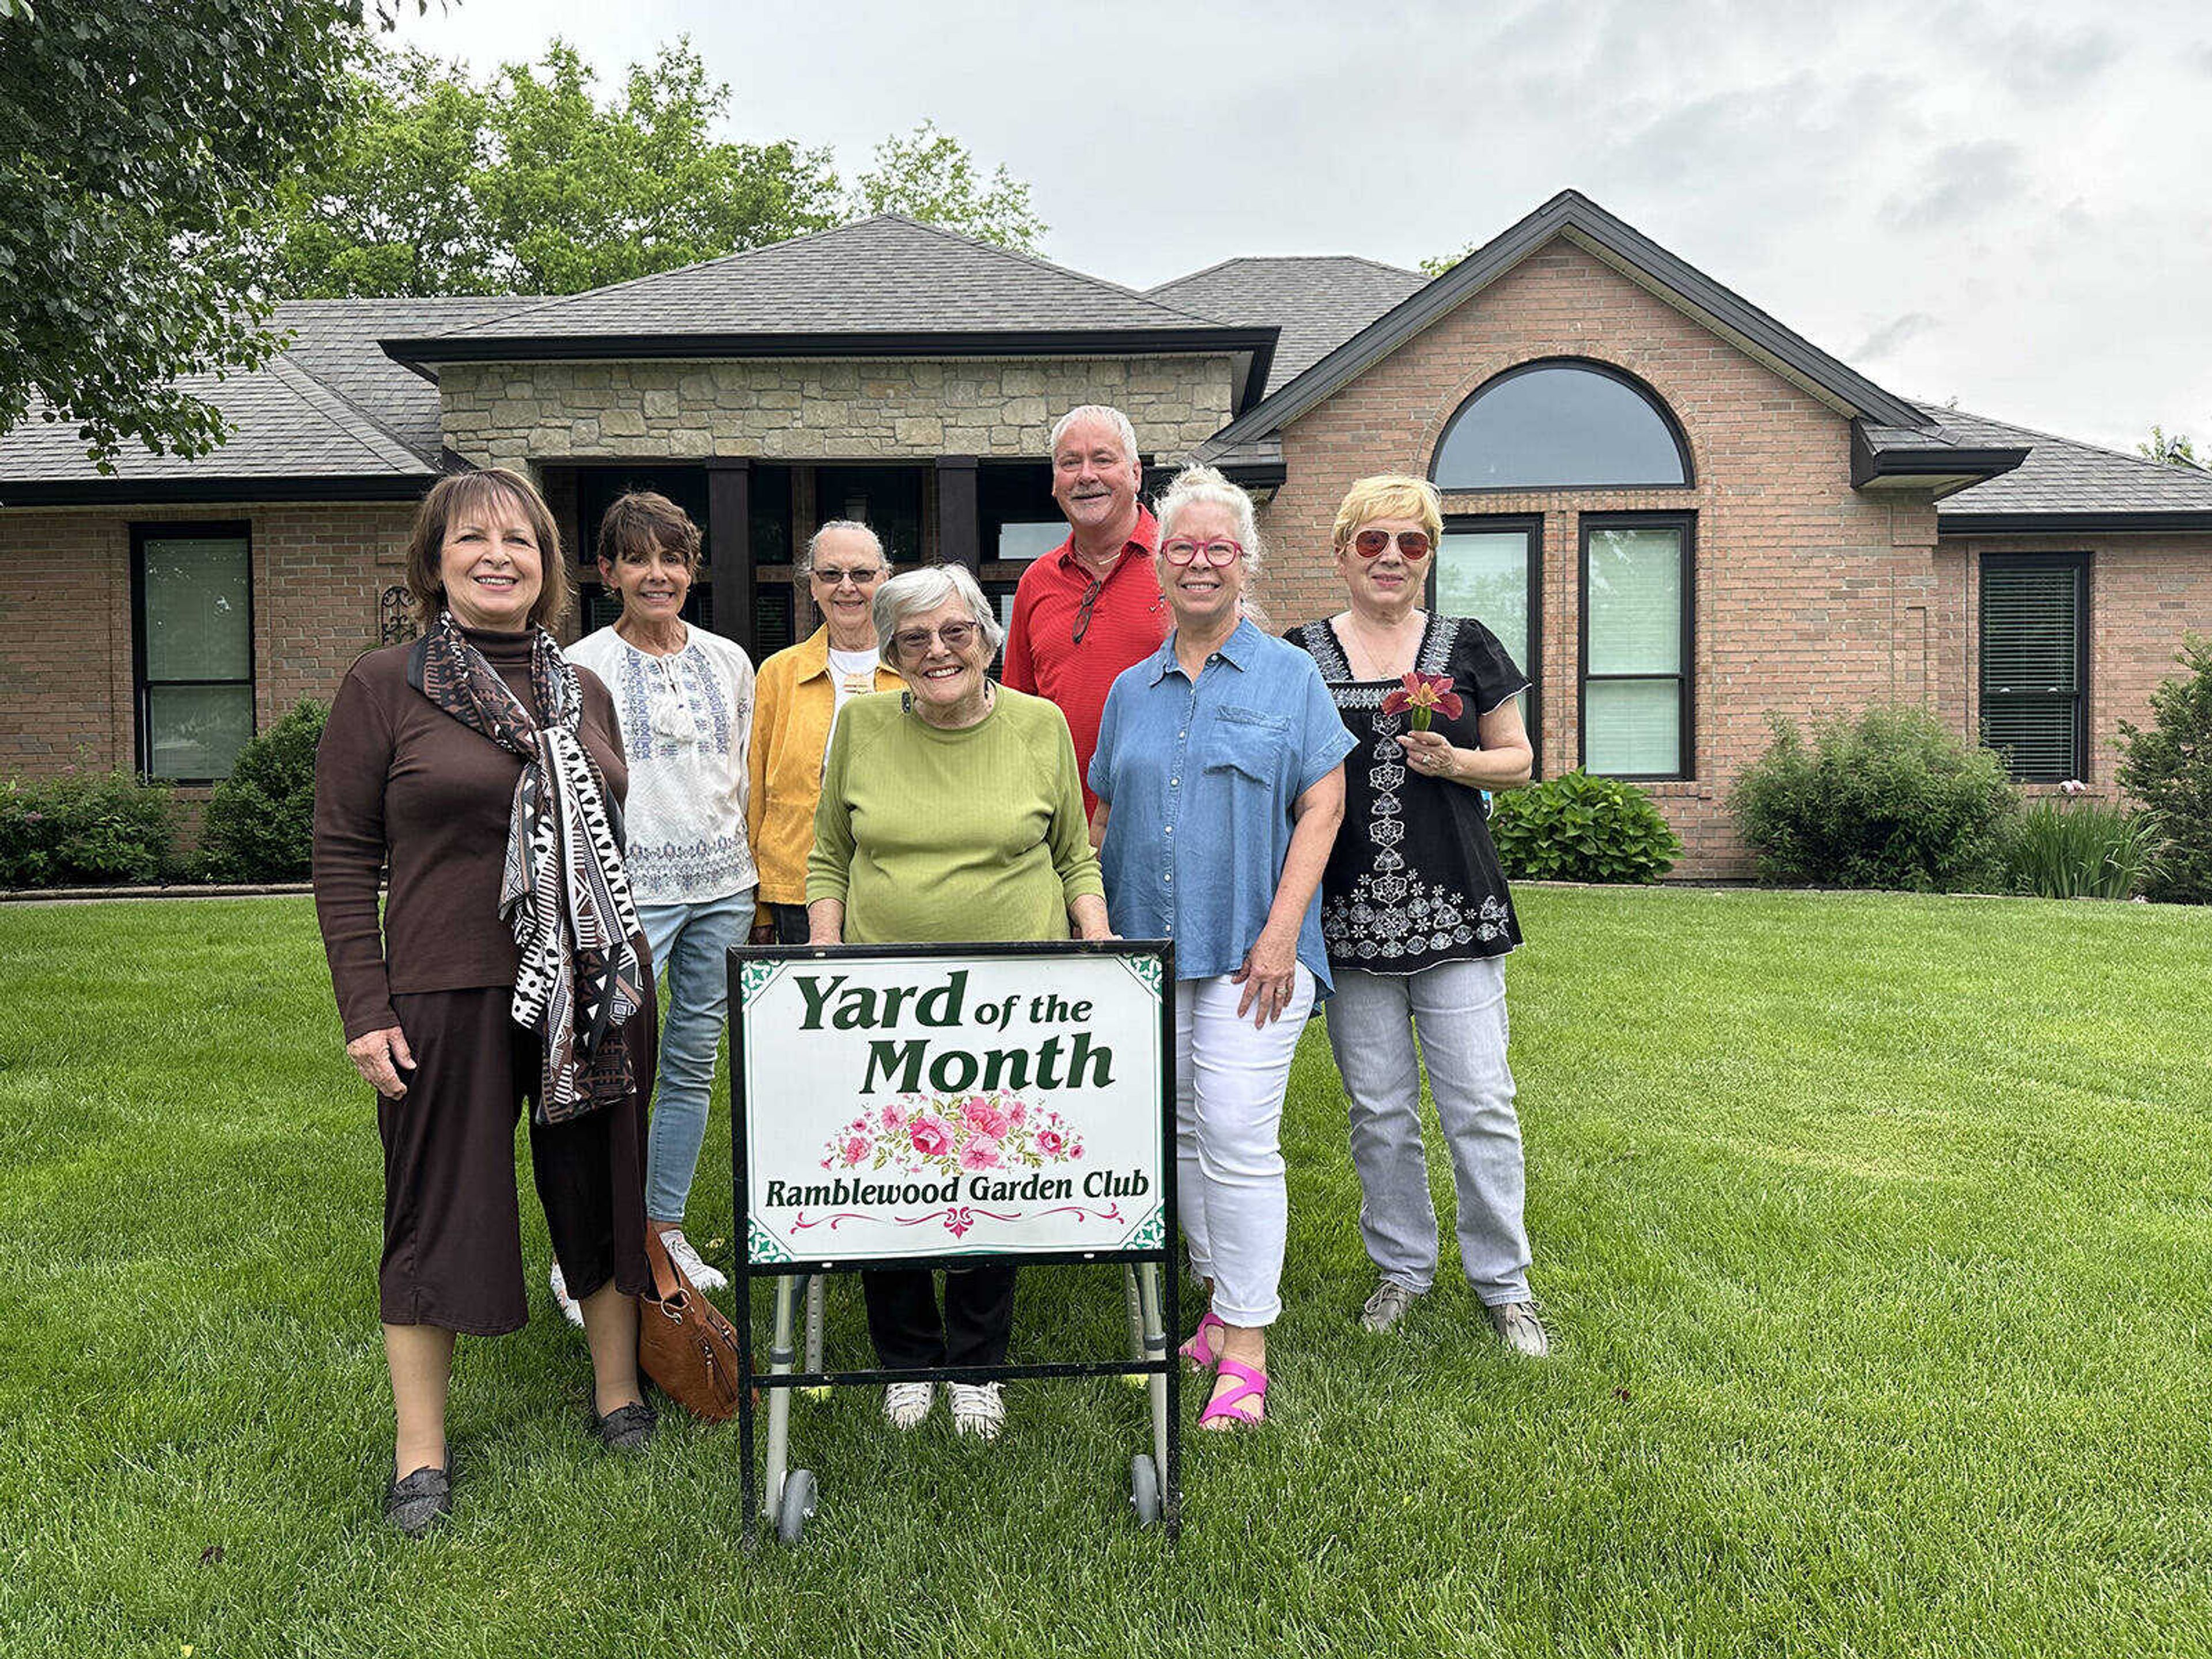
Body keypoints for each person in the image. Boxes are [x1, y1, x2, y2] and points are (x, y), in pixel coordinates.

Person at [313, 468, 658, 1539]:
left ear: (548, 564)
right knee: (435, 1203)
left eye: (521, 537)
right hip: (444, 987)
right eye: (473, 539)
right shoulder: (386, 684)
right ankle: (421, 1452)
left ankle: (619, 1394)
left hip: (590, 990)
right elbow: (340, 853)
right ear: (435, 561)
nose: (498, 554)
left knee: (600, 1188)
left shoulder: (585, 690)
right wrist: (365, 1006)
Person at [807, 562, 1110, 1441]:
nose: (937, 651)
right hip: (883, 1001)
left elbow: (1072, 856)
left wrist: (1097, 948)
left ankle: (976, 1363)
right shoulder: (860, 725)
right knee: (890, 1165)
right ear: (894, 652)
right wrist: (825, 966)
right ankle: (907, 1359)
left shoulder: (1038, 724)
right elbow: (828, 856)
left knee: (992, 1162)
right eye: (914, 639)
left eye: (955, 633)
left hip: (1014, 1005)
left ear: (986, 637)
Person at [1089, 465, 1354, 1430]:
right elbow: (1106, 811)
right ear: (1156, 567)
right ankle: (1215, 1303)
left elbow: (1323, 802)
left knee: (1240, 1138)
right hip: (1152, 956)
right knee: (1183, 1131)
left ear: (1246, 563)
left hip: (1255, 955)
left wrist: (1283, 933)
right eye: (1182, 550)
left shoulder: (1288, 676)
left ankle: (1247, 1345)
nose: (1200, 564)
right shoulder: (1131, 689)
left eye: (1219, 549)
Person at [1286, 474, 1547, 1356]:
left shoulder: (1464, 645)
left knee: (1480, 1101)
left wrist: (1456, 762)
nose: (1392, 559)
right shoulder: (1299, 656)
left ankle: (1504, 1285)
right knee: (1381, 1111)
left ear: (1430, 555)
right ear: (1342, 551)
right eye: (1373, 542)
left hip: (1456, 912)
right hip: (1350, 916)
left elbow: (1518, 762)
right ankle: (1402, 1269)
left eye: (1412, 544)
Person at [562, 490, 756, 1312]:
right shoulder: (581, 667)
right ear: (608, 571)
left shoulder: (729, 661)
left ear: (692, 569)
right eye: (637, 559)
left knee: (689, 1063)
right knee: (611, 1067)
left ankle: (664, 1228)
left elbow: (740, 771)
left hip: (724, 888)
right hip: (628, 897)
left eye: (672, 558)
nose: (657, 574)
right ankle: (589, 1253)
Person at [1002, 404, 1169, 822]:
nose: (1086, 475)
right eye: (1070, 463)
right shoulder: (1036, 583)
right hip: (1061, 831)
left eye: (1103, 459)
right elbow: (1017, 714)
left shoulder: (1180, 566)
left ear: (1135, 474)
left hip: (1163, 828)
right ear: (1055, 484)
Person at [746, 522, 903, 945]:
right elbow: (757, 791)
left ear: (885, 580)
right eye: (831, 575)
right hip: (799, 883)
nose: (846, 587)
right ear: (812, 585)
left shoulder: (916, 667)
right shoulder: (779, 673)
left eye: (862, 575)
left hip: (899, 881)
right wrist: (760, 905)